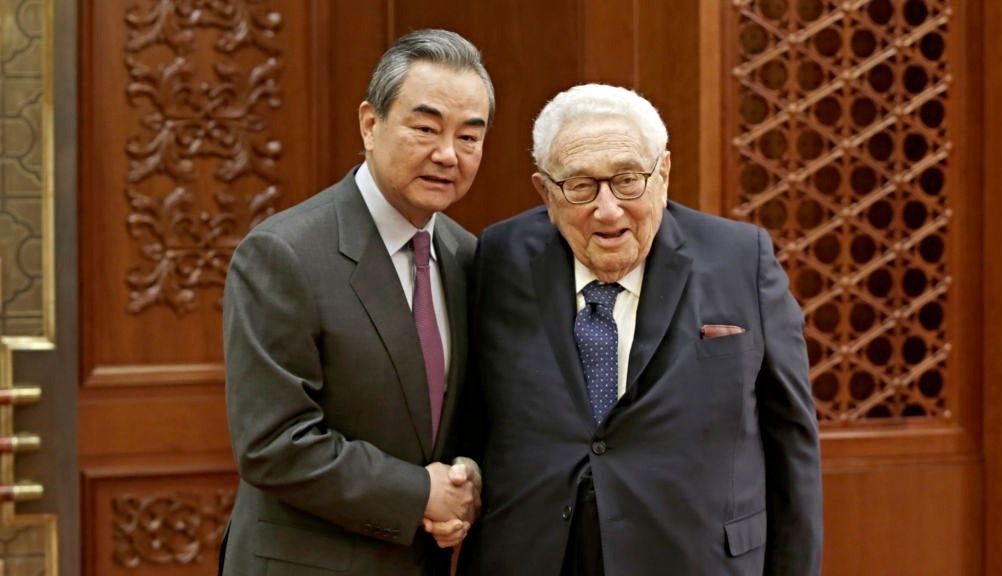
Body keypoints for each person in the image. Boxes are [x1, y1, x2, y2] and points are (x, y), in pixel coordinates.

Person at [458, 84, 822, 575]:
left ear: (663, 173)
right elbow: (473, 415)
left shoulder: (741, 260)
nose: (608, 209)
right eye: (580, 186)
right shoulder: (500, 258)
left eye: (628, 180)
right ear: (545, 192)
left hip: (696, 559)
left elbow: (792, 440)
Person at [219, 29, 494, 575]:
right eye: (426, 128)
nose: (447, 154)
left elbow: (462, 418)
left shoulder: (468, 255)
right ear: (370, 124)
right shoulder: (284, 253)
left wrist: (468, 477)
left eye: (469, 137)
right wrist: (418, 493)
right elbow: (273, 443)